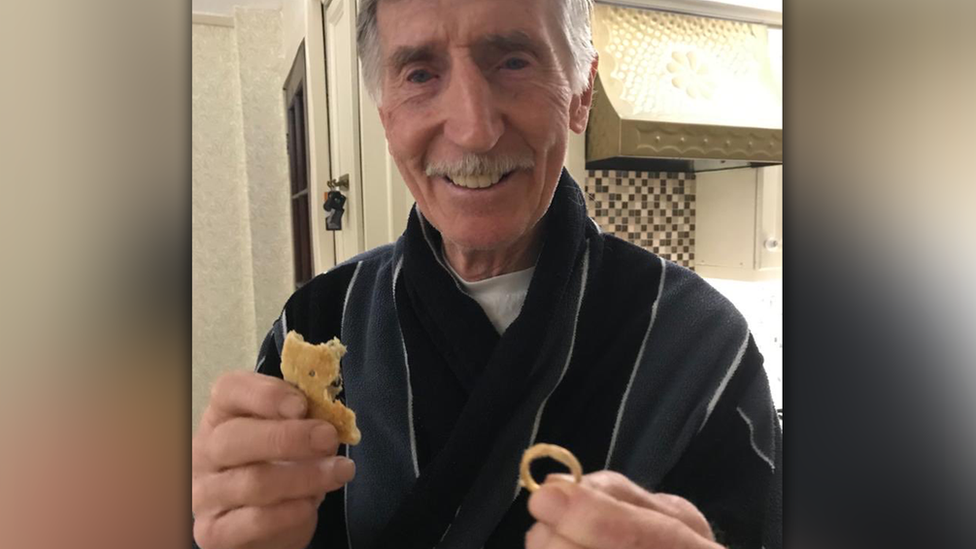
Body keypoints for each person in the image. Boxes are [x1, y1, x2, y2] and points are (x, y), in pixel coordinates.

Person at [191, 0, 782, 547]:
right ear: (387, 116)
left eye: (514, 61)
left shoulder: (705, 347)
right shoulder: (316, 321)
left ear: (581, 93)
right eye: (420, 74)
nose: (474, 129)